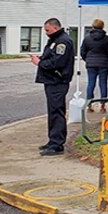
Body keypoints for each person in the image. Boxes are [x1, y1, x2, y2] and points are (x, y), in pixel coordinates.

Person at [31, 17, 75, 156]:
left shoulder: (62, 41)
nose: (46, 32)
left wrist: (39, 63)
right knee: (52, 111)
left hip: (57, 80)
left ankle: (57, 144)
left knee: (56, 112)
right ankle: (52, 140)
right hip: (51, 80)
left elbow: (57, 62)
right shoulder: (55, 40)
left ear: (55, 28)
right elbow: (52, 56)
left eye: (47, 30)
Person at [80, 18, 108, 111]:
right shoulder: (107, 39)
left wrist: (87, 59)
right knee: (103, 83)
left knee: (91, 83)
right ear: (102, 27)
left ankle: (89, 105)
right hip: (104, 63)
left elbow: (82, 51)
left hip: (91, 64)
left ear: (93, 26)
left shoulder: (87, 38)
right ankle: (103, 105)